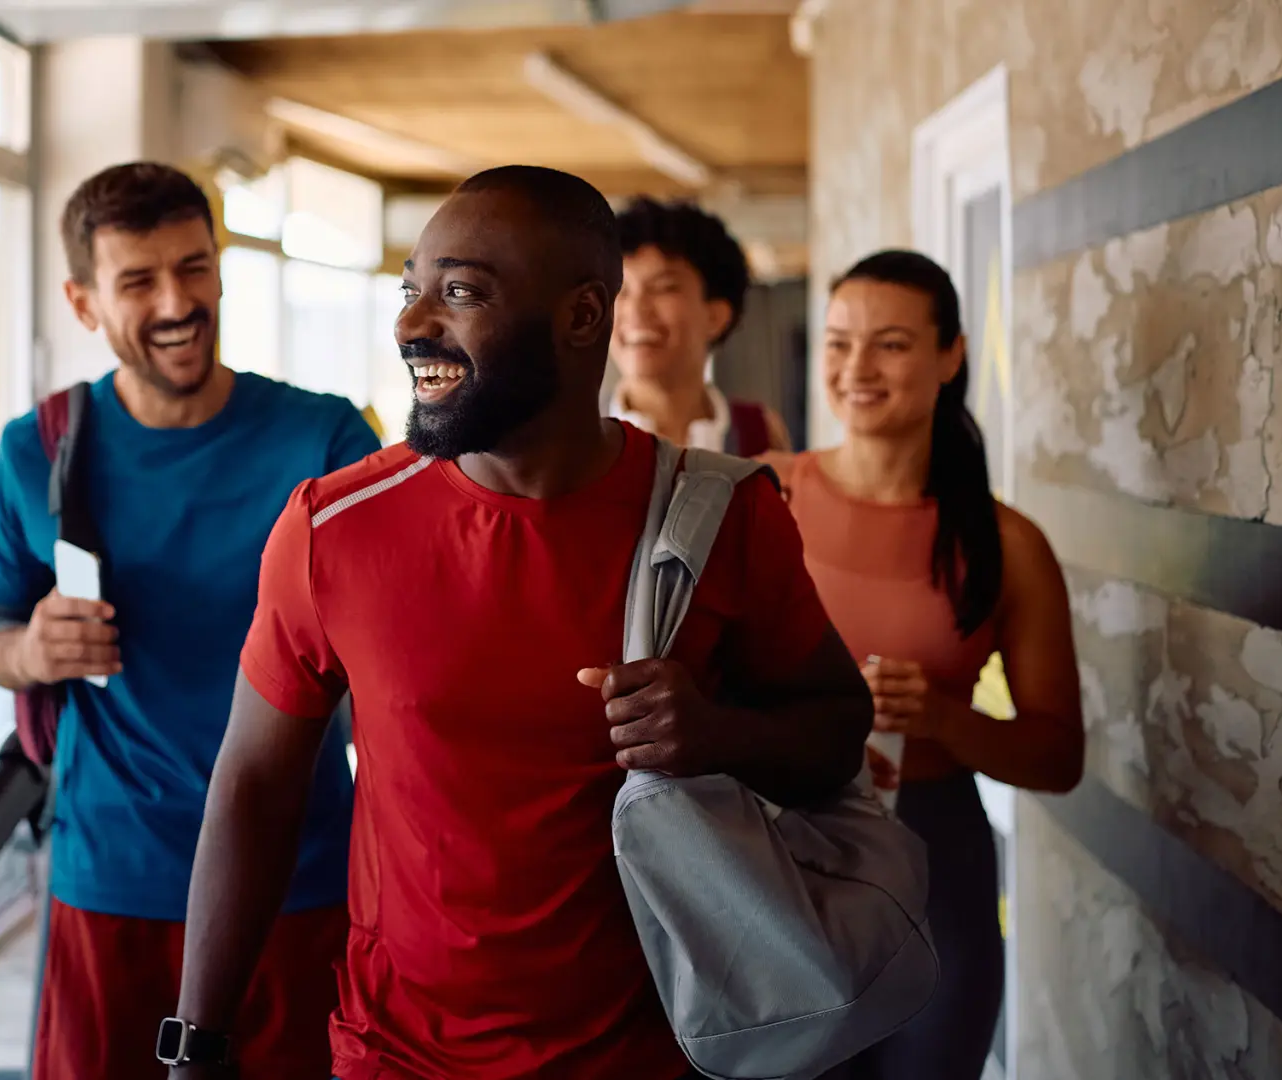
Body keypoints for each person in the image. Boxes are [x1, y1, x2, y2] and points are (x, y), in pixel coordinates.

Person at [165, 166, 873, 1079]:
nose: (413, 325)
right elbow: (255, 787)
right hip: (398, 1057)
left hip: (658, 1056)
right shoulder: (332, 527)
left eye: (461, 293)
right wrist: (196, 1043)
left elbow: (837, 733)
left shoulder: (723, 517)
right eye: (411, 291)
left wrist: (717, 734)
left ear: (582, 316)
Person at [0, 162, 380, 1079]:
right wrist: (30, 649)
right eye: (139, 281)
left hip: (295, 877)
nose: (178, 303)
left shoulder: (326, 440)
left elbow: (397, 645)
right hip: (114, 876)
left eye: (193, 268)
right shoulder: (38, 452)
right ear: (84, 302)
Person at [759, 250, 1084, 1080]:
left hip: (937, 861)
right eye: (839, 342)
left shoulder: (1008, 544)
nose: (857, 368)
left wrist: (943, 717)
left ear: (951, 356)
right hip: (774, 852)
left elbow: (1058, 757)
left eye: (892, 344)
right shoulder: (762, 497)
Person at [609, 196, 791, 454]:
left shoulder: (760, 434)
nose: (635, 309)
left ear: (715, 316)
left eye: (663, 288)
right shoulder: (566, 435)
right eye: (620, 290)